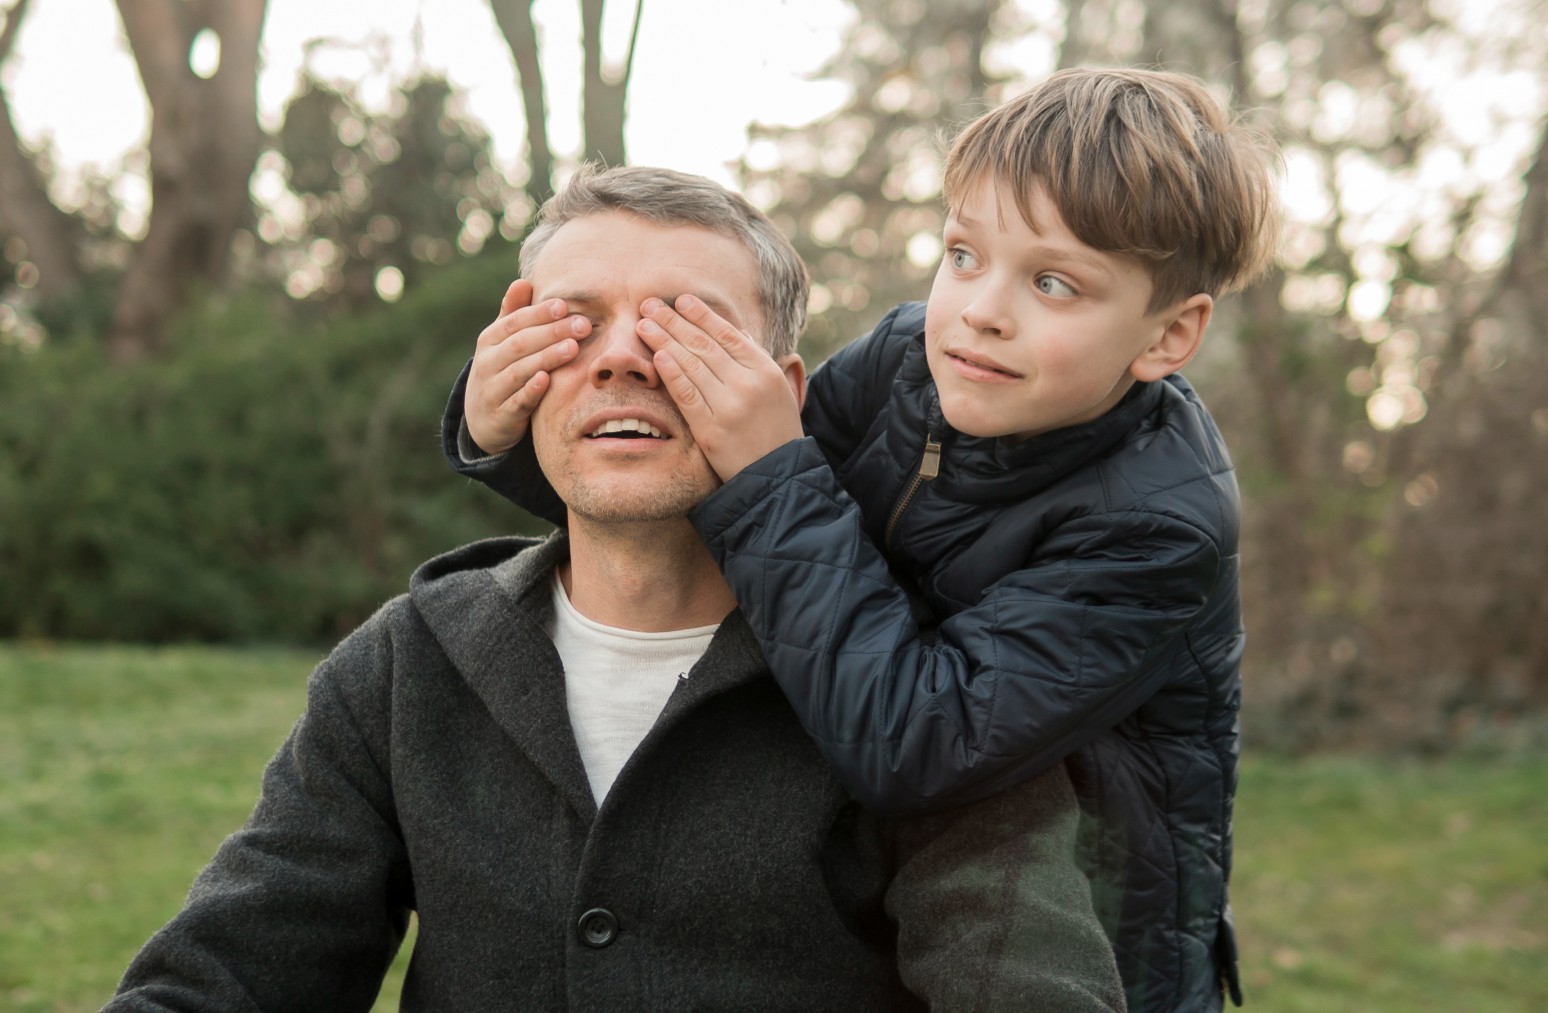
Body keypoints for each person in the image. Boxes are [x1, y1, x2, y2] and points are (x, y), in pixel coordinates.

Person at [105, 166, 1128, 1011]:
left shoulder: (922, 692)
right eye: (573, 323)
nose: (622, 359)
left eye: (685, 326)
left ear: (787, 394)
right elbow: (224, 977)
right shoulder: (405, 665)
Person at [447, 68, 1278, 1011]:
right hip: (888, 883)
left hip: (1078, 934)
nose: (982, 308)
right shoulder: (903, 360)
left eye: (1053, 281)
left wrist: (769, 472)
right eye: (964, 254)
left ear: (1169, 335)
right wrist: (498, 431)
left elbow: (919, 739)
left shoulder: (1158, 527)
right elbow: (702, 511)